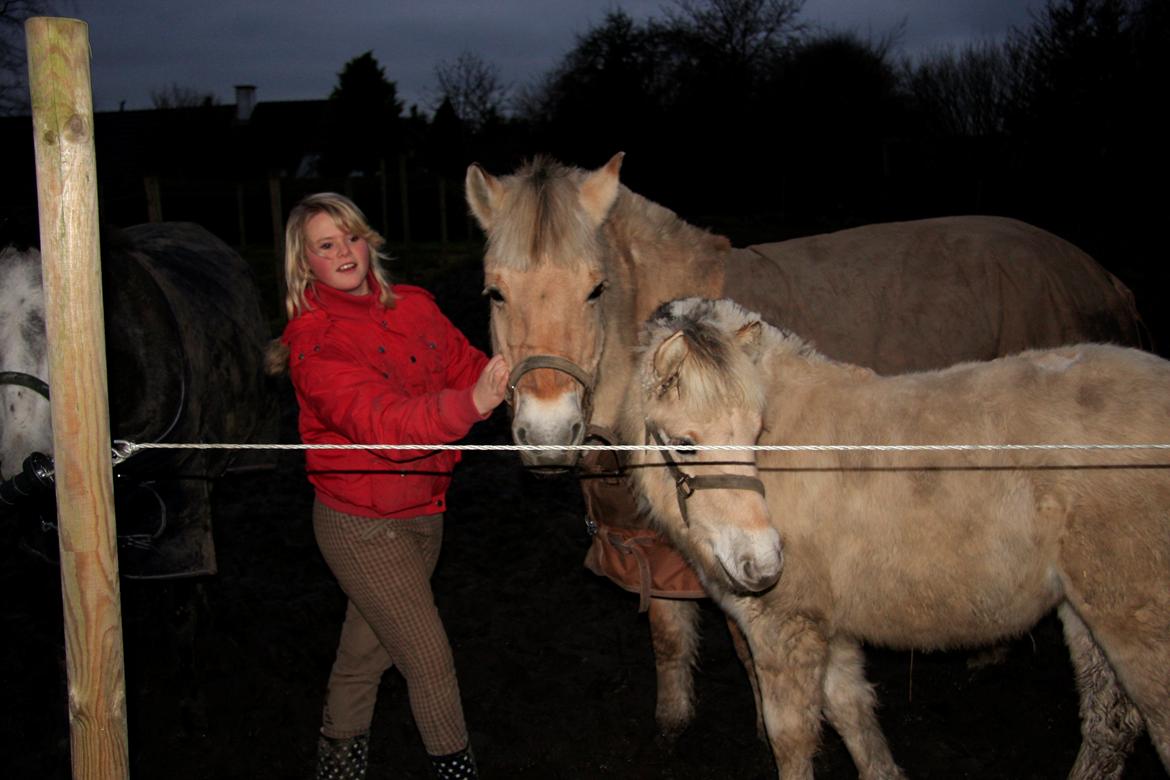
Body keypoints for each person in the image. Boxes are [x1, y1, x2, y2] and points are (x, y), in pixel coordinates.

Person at [276, 192, 508, 779]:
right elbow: (386, 427)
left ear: (368, 240)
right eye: (326, 246)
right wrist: (473, 402)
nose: (345, 252)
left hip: (426, 508)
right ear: (306, 264)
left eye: (351, 236)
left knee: (365, 652)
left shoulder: (416, 306)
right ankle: (457, 772)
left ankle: (338, 768)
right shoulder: (313, 341)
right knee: (429, 659)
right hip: (361, 523)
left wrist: (525, 370)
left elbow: (466, 365)